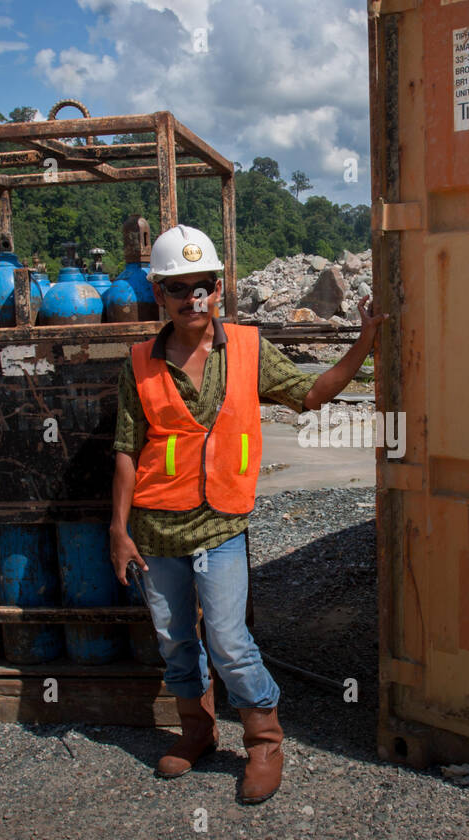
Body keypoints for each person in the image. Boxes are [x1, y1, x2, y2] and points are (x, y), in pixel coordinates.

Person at [109, 224, 386, 803]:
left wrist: (363, 343)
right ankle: (197, 731)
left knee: (230, 639)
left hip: (222, 526)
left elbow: (311, 394)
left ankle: (263, 741)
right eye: (178, 288)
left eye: (203, 285)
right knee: (175, 640)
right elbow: (126, 450)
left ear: (217, 288)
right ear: (159, 293)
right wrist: (118, 529)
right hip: (157, 530)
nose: (193, 298)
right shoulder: (138, 363)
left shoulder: (250, 351)